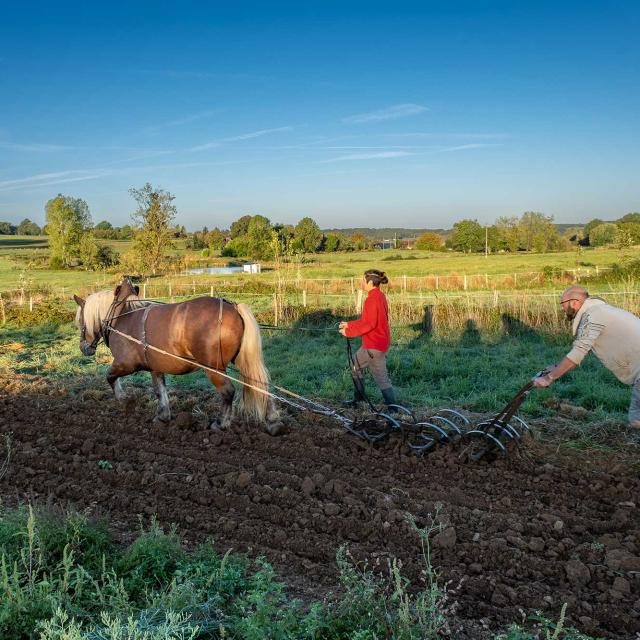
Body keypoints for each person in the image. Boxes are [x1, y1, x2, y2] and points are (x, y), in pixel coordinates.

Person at [533, 286, 640, 428]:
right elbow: (584, 349)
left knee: (636, 420)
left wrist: (548, 378)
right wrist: (557, 368)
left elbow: (578, 352)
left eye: (563, 303)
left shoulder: (593, 315)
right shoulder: (601, 312)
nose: (562, 308)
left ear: (575, 302)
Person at [338, 269, 397, 412]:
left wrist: (349, 332)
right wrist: (349, 324)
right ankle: (359, 399)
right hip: (377, 343)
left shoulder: (371, 299)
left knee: (381, 377)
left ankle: (394, 410)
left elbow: (369, 324)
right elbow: (367, 321)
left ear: (370, 282)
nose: (361, 283)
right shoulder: (379, 296)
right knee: (355, 365)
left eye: (363, 280)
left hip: (373, 345)